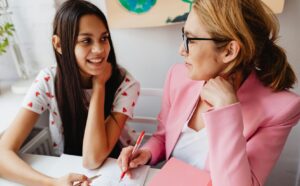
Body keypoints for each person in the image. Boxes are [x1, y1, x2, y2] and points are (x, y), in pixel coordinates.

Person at [117, 0, 300, 185]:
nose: (181, 49)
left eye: (192, 40)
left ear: (229, 51)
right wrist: (146, 153)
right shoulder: (178, 76)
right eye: (184, 36)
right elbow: (163, 136)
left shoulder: (281, 109)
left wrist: (228, 111)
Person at [0, 0, 140, 185]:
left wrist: (99, 86)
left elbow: (92, 159)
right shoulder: (48, 81)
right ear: (59, 45)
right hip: (67, 171)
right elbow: (2, 154)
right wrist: (52, 183)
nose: (99, 50)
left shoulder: (126, 84)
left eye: (104, 38)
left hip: (120, 170)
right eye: (86, 40)